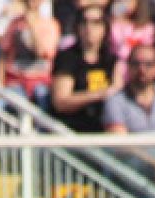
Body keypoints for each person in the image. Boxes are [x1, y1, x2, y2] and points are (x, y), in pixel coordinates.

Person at [102, 44, 155, 191]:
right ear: (128, 67)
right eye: (136, 64)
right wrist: (154, 163)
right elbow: (121, 144)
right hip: (134, 170)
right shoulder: (116, 101)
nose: (142, 70)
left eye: (148, 64)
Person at [48, 6, 114, 134]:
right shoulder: (67, 58)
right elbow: (61, 101)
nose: (89, 28)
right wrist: (100, 94)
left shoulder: (111, 60)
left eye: (96, 22)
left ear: (105, 27)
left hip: (102, 129)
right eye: (84, 22)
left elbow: (117, 90)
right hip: (71, 129)